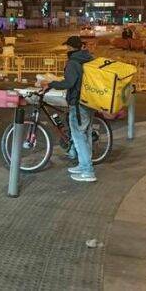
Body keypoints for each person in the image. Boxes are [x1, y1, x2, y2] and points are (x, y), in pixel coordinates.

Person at [40, 36, 96, 183]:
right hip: (89, 101)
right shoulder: (88, 59)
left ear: (70, 47)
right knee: (86, 135)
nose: (66, 49)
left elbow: (69, 83)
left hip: (78, 104)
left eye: (67, 47)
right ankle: (83, 165)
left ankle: (88, 171)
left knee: (79, 137)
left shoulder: (73, 62)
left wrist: (51, 84)